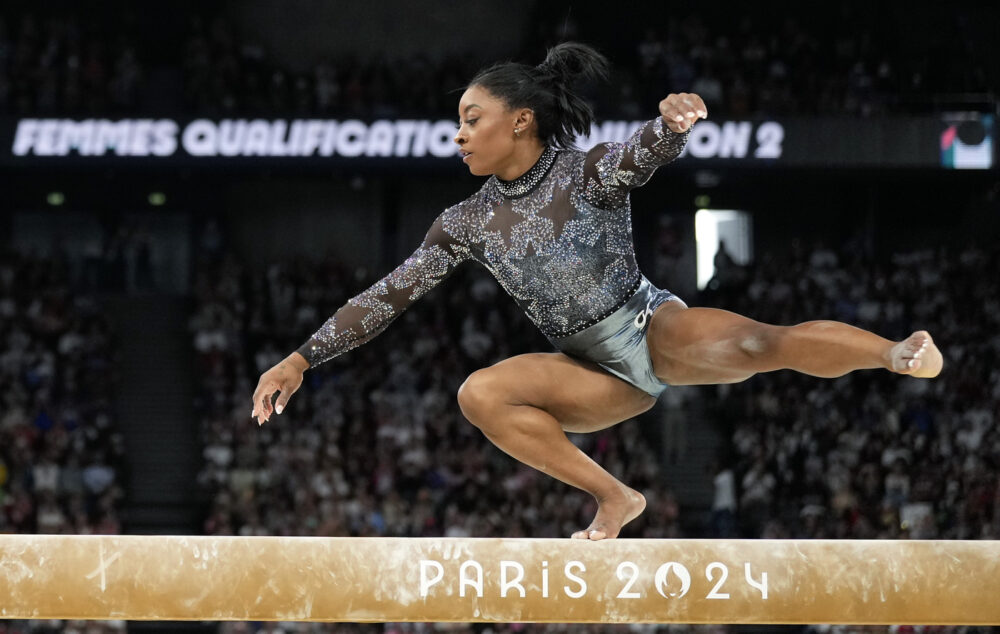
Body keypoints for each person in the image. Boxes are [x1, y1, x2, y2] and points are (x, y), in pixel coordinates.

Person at [251, 43, 943, 541]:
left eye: (472, 118)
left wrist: (668, 128)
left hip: (647, 326)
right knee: (478, 393)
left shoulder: (585, 174)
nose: (458, 134)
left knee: (762, 343)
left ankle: (894, 354)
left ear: (521, 119)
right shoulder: (465, 222)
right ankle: (615, 498)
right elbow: (388, 295)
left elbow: (636, 155)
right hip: (587, 372)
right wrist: (302, 358)